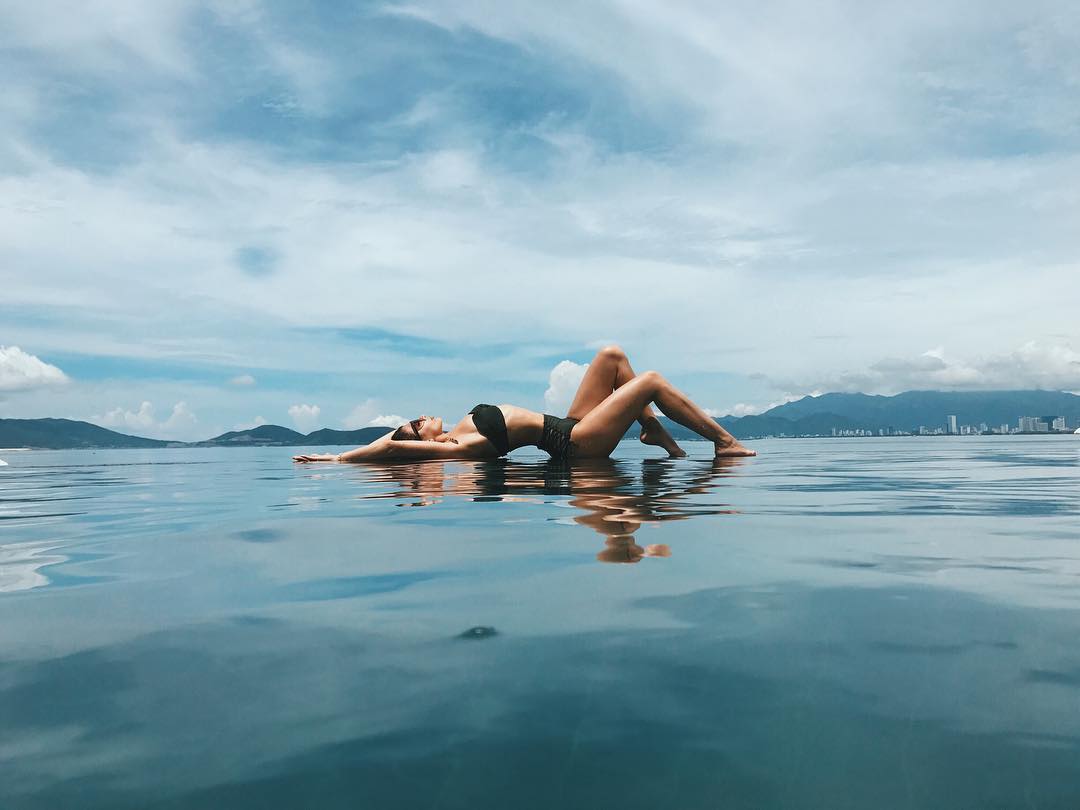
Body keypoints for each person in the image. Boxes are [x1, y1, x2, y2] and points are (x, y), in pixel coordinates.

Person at [292, 345, 756, 463]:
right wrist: (338, 458)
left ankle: (651, 429)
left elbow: (395, 439)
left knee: (612, 357)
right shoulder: (459, 449)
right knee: (650, 381)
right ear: (423, 442)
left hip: (567, 424)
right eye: (417, 424)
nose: (421, 418)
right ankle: (724, 441)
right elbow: (392, 447)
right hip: (577, 443)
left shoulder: (458, 430)